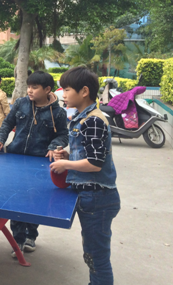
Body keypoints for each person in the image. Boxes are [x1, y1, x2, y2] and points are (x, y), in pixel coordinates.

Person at [50, 67, 120, 285]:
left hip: (97, 197)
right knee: (92, 253)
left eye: (67, 89)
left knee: (96, 257)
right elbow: (89, 153)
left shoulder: (93, 121)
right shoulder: (84, 118)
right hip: (91, 196)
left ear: (84, 91)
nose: (63, 94)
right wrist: (69, 155)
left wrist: (65, 164)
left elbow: (95, 164)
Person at [0, 71, 68, 257]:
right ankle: (17, 239)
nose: (30, 90)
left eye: (35, 87)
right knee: (16, 200)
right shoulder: (21, 103)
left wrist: (54, 146)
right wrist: (0, 139)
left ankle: (31, 236)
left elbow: (63, 135)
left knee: (35, 200)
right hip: (15, 159)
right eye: (29, 86)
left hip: (39, 163)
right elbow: (7, 124)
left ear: (47, 89)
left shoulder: (58, 113)